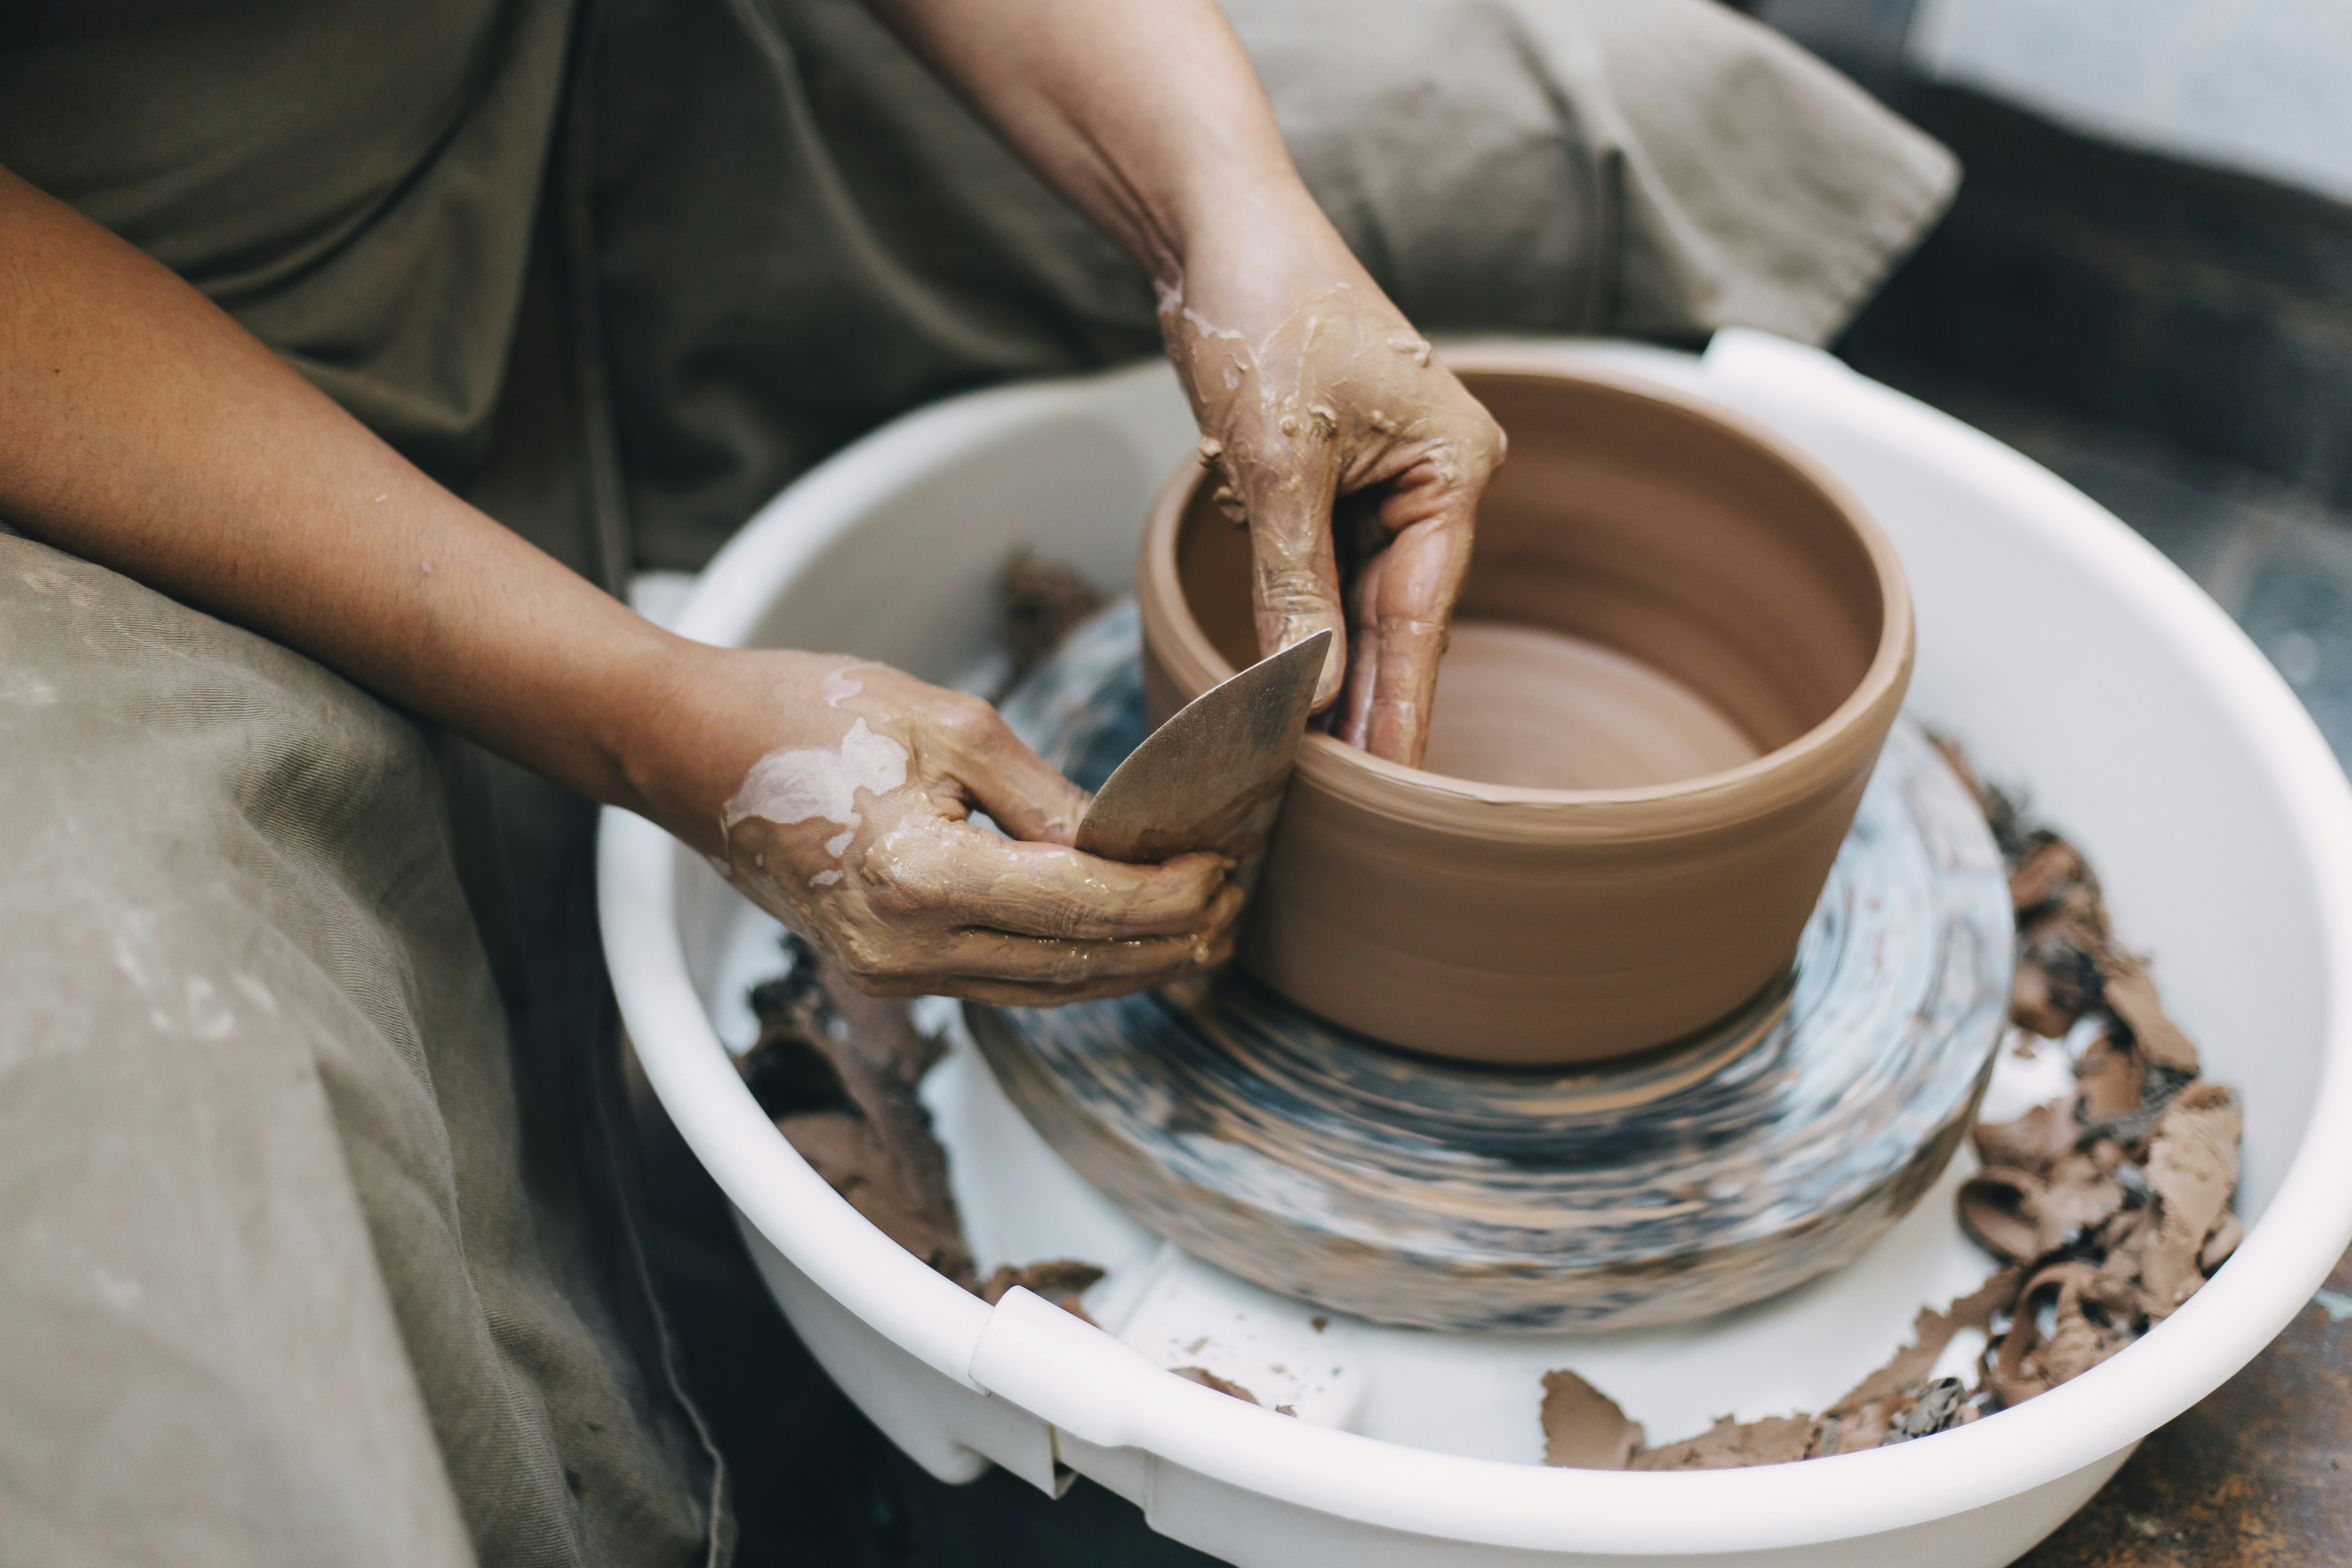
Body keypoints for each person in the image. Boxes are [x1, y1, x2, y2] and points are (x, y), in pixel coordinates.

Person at [0, 0, 1955, 1562]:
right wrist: (644, 711)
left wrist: (1220, 208)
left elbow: (1232, 192)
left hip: (576, 65)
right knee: (170, 1237)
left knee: (1589, 115)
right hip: (96, 341)